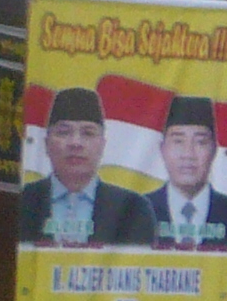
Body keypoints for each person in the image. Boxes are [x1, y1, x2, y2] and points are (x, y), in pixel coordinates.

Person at [16, 86, 155, 247]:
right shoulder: (22, 202)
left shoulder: (132, 208)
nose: (75, 143)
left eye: (88, 133)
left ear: (102, 145)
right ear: (47, 143)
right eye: (63, 132)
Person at [146, 93, 227, 249]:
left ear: (214, 150)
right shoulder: (139, 210)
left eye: (200, 142)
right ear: (162, 148)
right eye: (178, 141)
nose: (188, 154)